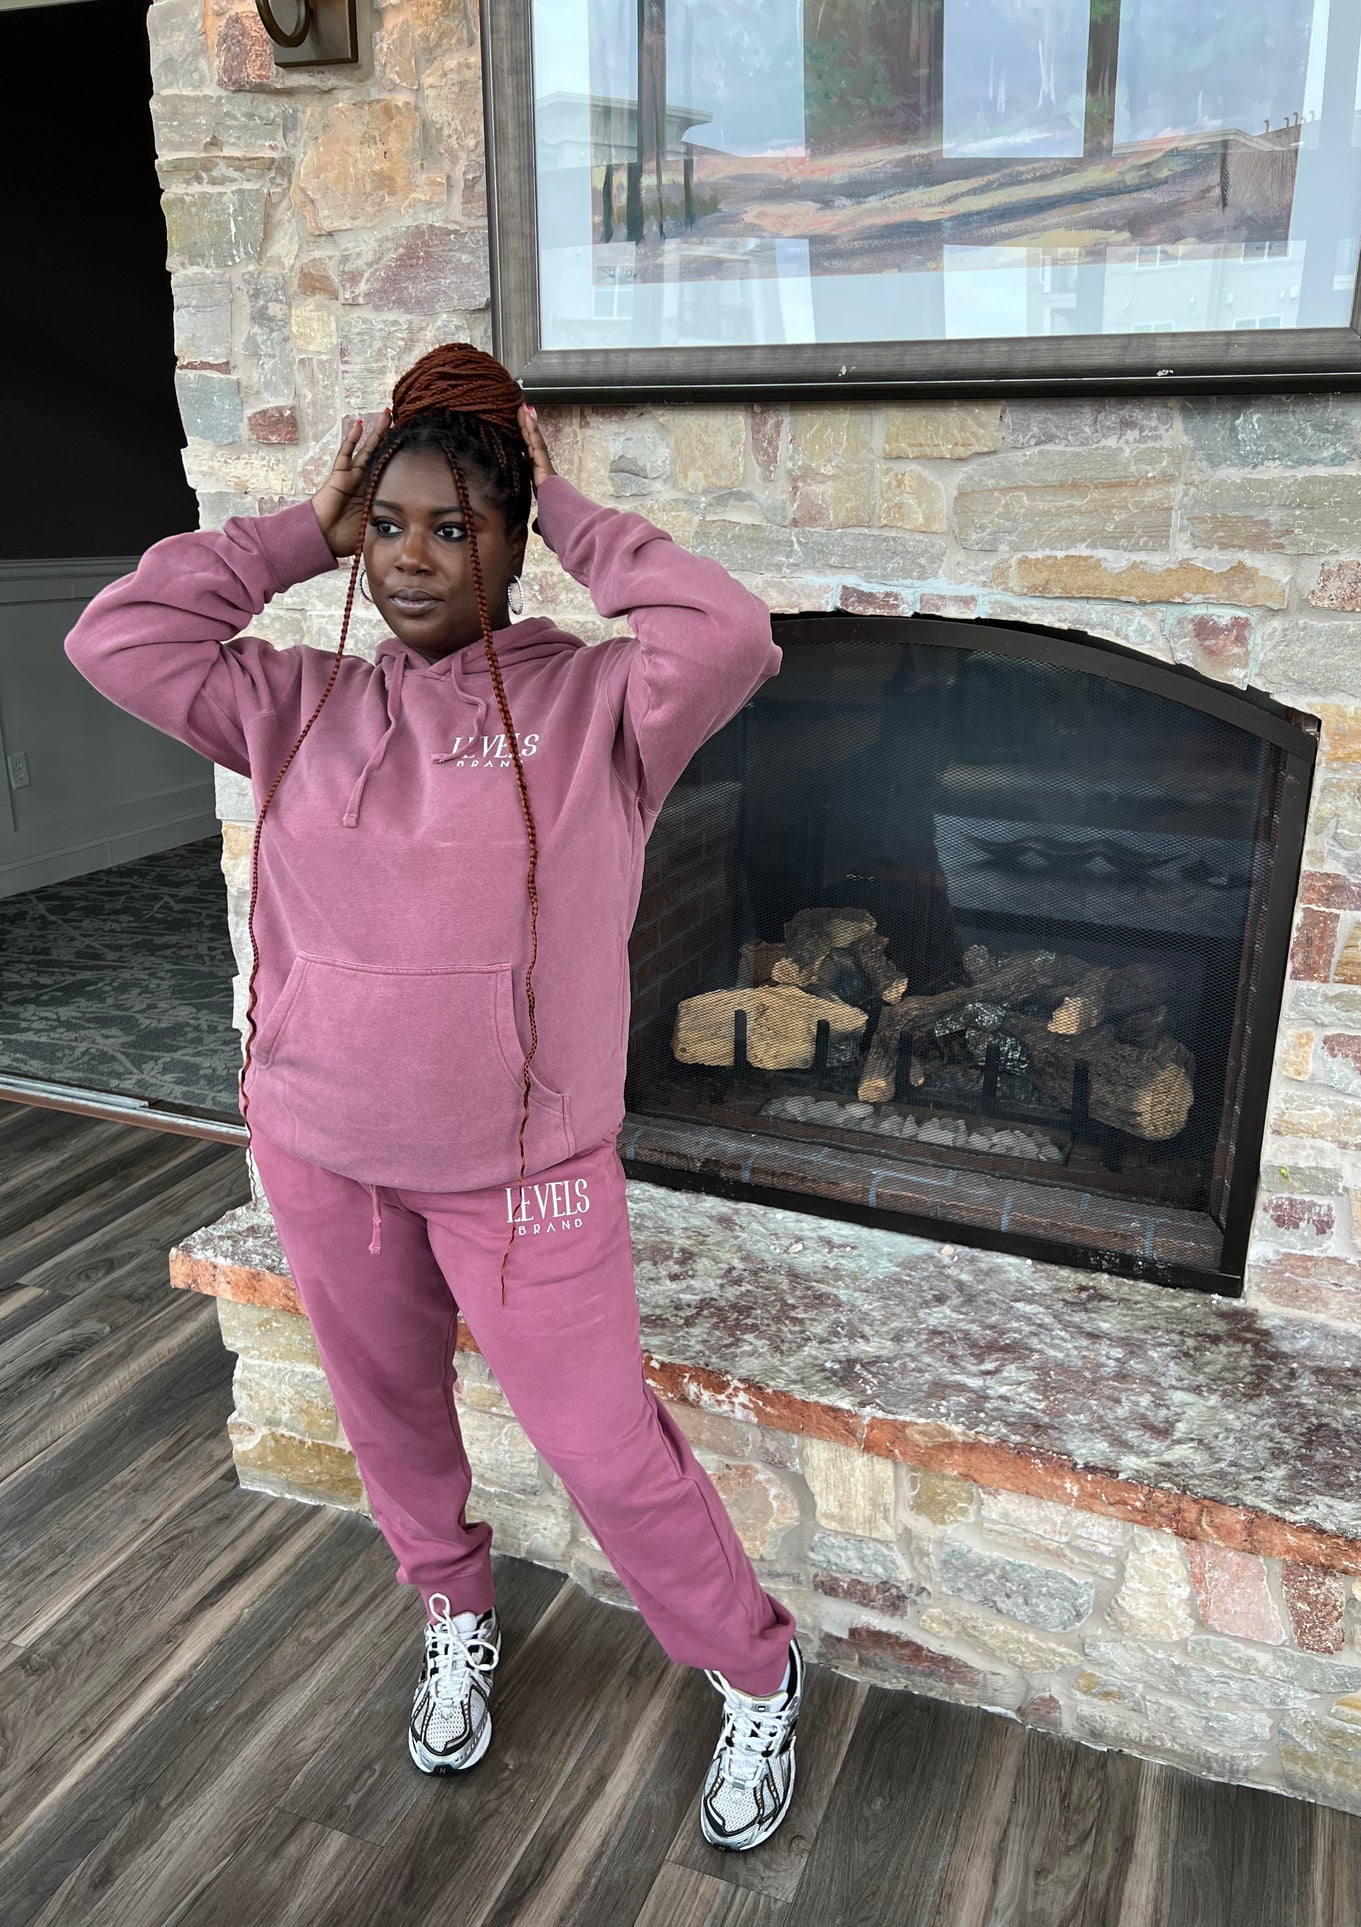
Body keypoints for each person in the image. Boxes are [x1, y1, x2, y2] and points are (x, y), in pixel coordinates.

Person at [62, 342, 804, 1853]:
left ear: (513, 542)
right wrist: (302, 530)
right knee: (390, 1419)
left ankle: (754, 1670)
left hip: (526, 1174)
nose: (409, 559)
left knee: (605, 1452)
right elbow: (114, 636)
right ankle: (453, 1613)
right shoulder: (292, 701)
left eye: (454, 528)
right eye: (389, 526)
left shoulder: (605, 709)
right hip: (325, 1152)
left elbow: (726, 631)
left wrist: (563, 498)